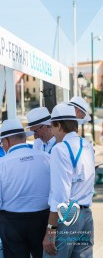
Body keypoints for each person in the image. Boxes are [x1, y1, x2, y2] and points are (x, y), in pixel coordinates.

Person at [0, 118, 51, 258]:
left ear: (7, 141)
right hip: (43, 221)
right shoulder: (47, 158)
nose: (3, 146)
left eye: (2, 143)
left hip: (12, 224)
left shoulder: (0, 165)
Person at [43, 103, 95, 257]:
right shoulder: (87, 145)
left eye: (51, 127)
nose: (51, 133)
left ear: (59, 126)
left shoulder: (60, 149)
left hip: (68, 216)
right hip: (86, 216)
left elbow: (60, 197)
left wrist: (50, 232)